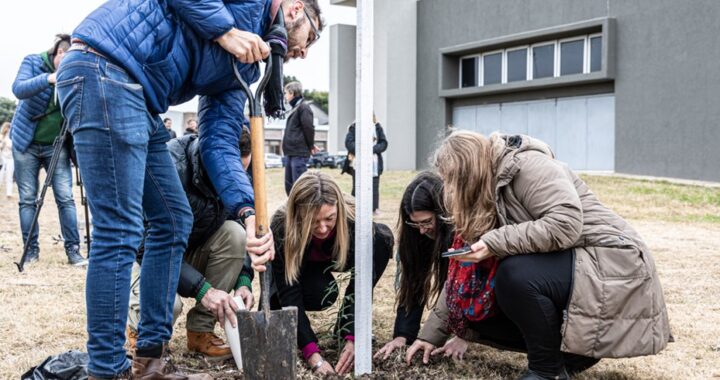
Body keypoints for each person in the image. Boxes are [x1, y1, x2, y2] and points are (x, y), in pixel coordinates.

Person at [55, 0, 323, 377]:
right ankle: (106, 368)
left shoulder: (243, 66)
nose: (304, 51)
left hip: (140, 97)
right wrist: (225, 32)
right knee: (120, 230)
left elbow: (218, 142)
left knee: (173, 218)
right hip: (104, 68)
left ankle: (150, 358)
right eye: (310, 36)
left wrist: (246, 213)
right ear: (295, 9)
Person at [406, 131, 670, 380]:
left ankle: (547, 371)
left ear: (470, 170)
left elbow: (565, 224)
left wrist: (495, 241)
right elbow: (459, 278)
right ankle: (571, 356)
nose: (450, 189)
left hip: (614, 262)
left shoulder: (528, 166)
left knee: (514, 274)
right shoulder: (487, 193)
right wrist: (430, 336)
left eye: (453, 180)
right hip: (577, 265)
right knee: (475, 304)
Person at [126, 129, 255, 361]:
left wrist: (244, 278)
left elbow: (240, 223)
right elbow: (145, 246)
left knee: (235, 234)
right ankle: (139, 333)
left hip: (190, 250)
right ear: (212, 159)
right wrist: (202, 290)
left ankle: (200, 332)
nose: (235, 182)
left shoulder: (234, 173)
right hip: (147, 256)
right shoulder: (170, 166)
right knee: (168, 304)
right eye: (230, 177)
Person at [271, 171, 393, 376]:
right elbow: (289, 290)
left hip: (337, 256)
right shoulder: (282, 227)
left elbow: (360, 285)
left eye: (330, 218)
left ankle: (343, 327)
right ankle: (282, 317)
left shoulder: (356, 222)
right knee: (318, 293)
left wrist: (352, 334)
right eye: (313, 221)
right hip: (303, 267)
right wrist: (312, 353)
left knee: (381, 238)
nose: (322, 228)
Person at [10, 34, 86, 266]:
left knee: (65, 198)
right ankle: (31, 251)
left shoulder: (74, 73)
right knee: (27, 200)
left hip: (56, 146)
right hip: (26, 144)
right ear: (60, 53)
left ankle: (73, 251)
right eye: (67, 62)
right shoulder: (33, 62)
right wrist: (49, 79)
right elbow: (19, 89)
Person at [373, 171, 466, 360]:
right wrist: (403, 335)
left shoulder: (460, 228)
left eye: (427, 222)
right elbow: (413, 283)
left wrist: (463, 336)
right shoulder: (416, 232)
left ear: (442, 214)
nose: (422, 230)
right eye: (415, 224)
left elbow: (463, 286)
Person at [343, 114, 387, 215]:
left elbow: (383, 143)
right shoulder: (354, 127)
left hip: (374, 163)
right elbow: (349, 142)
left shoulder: (377, 127)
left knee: (374, 185)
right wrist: (361, 149)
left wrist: (371, 149)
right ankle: (355, 207)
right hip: (358, 162)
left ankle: (374, 208)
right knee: (357, 185)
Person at [281, 80, 316, 195]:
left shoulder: (303, 107)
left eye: (286, 93)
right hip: (291, 152)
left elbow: (308, 128)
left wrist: (310, 145)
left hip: (299, 153)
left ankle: (302, 210)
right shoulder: (295, 108)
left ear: (292, 93)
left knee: (299, 186)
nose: (285, 96)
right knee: (290, 186)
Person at [0, 122, 13, 199]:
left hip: (11, 158)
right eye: (7, 128)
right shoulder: (1, 136)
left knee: (9, 176)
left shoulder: (12, 137)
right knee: (0, 175)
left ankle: (9, 193)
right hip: (2, 158)